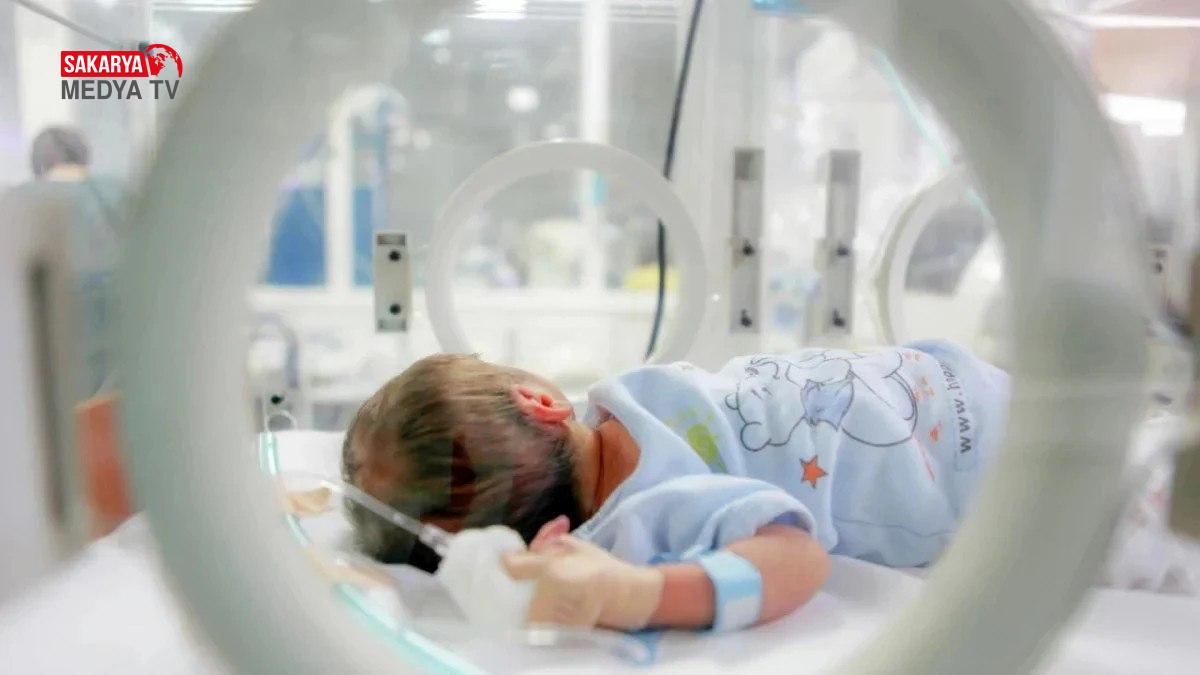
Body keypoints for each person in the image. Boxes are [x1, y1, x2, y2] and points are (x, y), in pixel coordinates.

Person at [342, 341, 1009, 632]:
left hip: (949, 393)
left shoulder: (625, 402)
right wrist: (636, 592)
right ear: (541, 401)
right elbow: (795, 559)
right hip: (983, 465)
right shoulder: (654, 506)